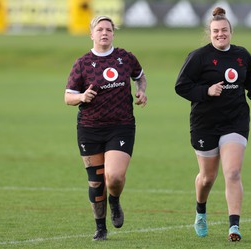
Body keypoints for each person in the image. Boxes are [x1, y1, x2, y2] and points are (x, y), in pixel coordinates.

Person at [175, 7, 251, 242]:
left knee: (233, 172)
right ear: (210, 33)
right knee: (207, 177)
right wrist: (206, 90)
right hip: (205, 123)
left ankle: (234, 226)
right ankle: (201, 211)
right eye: (216, 31)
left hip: (235, 121)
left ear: (231, 31)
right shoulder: (198, 57)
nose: (220, 34)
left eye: (224, 30)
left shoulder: (242, 55)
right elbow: (181, 86)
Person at [64, 15, 147, 241]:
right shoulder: (82, 63)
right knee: (96, 181)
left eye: (108, 30)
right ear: (92, 34)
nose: (104, 33)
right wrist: (82, 95)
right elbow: (68, 97)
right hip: (89, 128)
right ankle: (100, 228)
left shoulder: (125, 58)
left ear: (113, 34)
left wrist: (141, 91)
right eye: (100, 29)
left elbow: (140, 76)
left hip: (121, 126)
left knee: (115, 176)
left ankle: (115, 200)